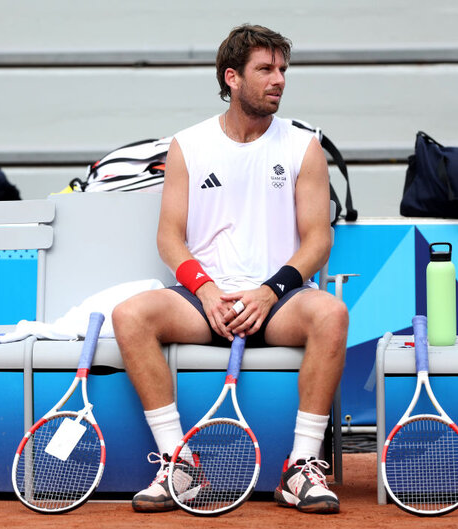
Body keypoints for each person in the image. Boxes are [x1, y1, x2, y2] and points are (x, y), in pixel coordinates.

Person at [112, 23, 348, 515]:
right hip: (206, 302)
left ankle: (301, 468)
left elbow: (318, 240)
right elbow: (169, 238)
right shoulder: (189, 145)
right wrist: (206, 290)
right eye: (265, 69)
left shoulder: (304, 146)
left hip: (278, 302)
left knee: (331, 314)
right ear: (232, 77)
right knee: (130, 315)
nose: (278, 79)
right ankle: (179, 462)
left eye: (283, 69)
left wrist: (268, 291)